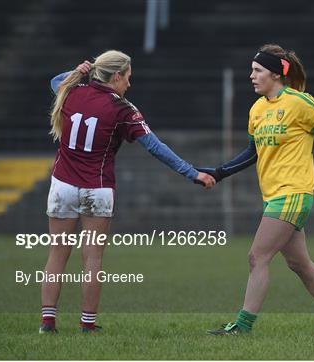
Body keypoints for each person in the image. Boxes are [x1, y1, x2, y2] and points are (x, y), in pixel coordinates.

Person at [196, 44, 314, 335]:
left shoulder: (299, 102)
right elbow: (252, 153)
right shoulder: (257, 109)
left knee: (256, 257)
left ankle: (242, 327)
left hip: (294, 192)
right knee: (299, 263)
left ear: (275, 74)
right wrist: (219, 173)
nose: (252, 76)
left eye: (257, 70)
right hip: (274, 195)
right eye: (252, 70)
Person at [40, 50, 216, 334]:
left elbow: (55, 81)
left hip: (62, 186)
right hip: (97, 190)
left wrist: (78, 70)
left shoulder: (72, 91)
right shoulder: (123, 109)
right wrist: (192, 173)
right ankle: (87, 325)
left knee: (56, 255)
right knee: (92, 259)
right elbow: (156, 148)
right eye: (128, 78)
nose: (129, 85)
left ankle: (47, 323)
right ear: (117, 76)